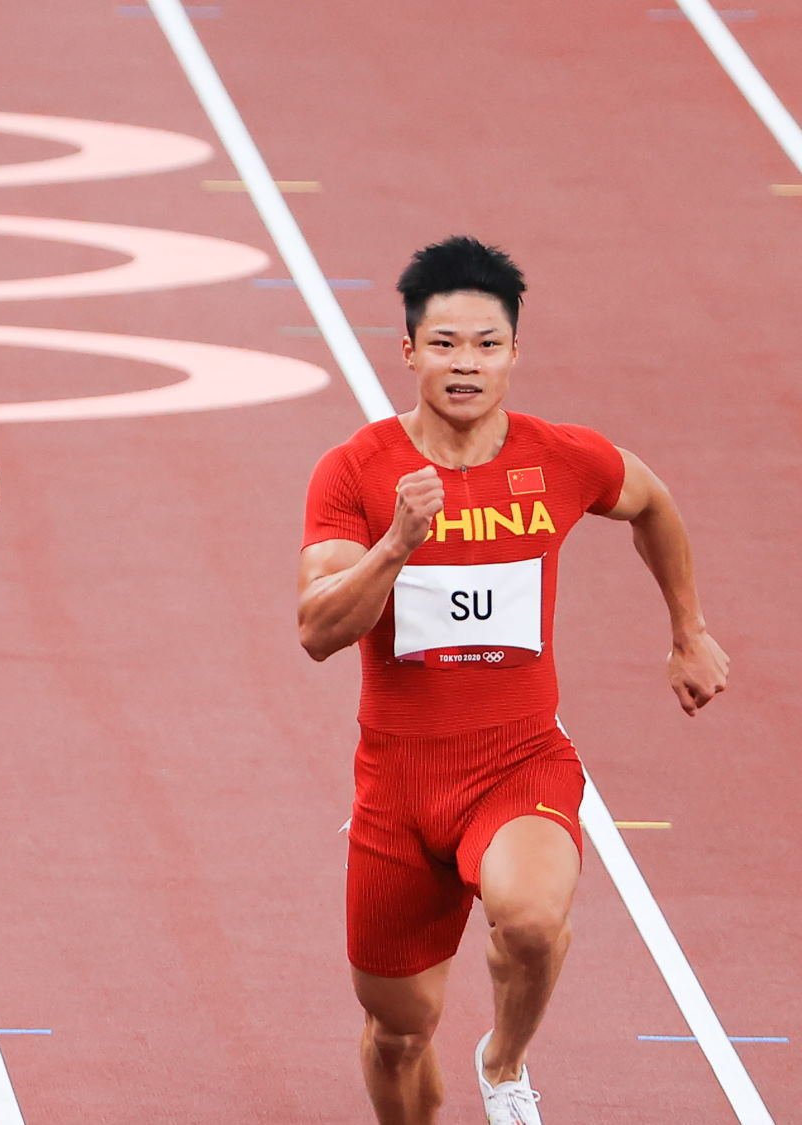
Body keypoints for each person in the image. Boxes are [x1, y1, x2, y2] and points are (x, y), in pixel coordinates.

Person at [297, 236, 729, 1124]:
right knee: (399, 1031)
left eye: (487, 344)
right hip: (397, 785)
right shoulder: (356, 470)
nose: (466, 363)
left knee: (530, 919)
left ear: (514, 354)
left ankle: (505, 1060)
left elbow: (651, 501)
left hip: (519, 762)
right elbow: (317, 631)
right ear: (409, 349)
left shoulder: (563, 458)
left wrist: (688, 631)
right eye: (446, 343)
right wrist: (396, 545)